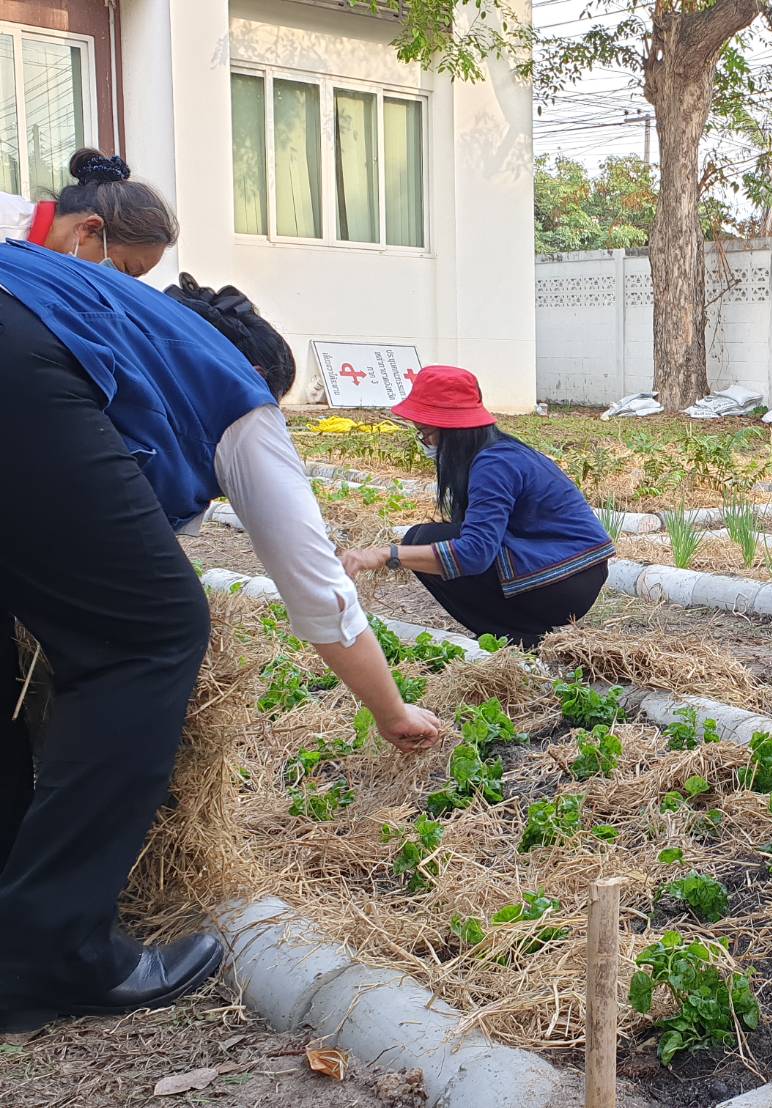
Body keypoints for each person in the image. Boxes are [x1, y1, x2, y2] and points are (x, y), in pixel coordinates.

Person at [0, 242, 442, 1034]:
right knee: (150, 633)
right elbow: (318, 592)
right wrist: (391, 710)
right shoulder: (234, 391)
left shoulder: (109, 315)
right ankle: (46, 953)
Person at [339, 366, 614, 647]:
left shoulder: (494, 464)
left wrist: (386, 555)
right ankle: (514, 634)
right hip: (573, 573)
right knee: (432, 539)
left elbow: (475, 553)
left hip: (567, 578)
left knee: (421, 540)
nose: (425, 442)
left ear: (451, 430)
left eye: (425, 432)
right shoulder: (496, 453)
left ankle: (514, 637)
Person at [0, 148, 177, 277]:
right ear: (89, 229)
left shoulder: (56, 271)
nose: (120, 284)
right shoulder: (6, 225)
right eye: (123, 271)